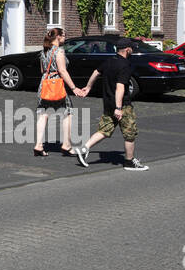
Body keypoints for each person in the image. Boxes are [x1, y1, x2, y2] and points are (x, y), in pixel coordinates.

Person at [74, 42, 148, 171]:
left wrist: (88, 87)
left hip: (108, 103)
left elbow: (96, 72)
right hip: (122, 105)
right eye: (131, 49)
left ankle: (84, 148)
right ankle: (129, 162)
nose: (132, 51)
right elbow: (120, 86)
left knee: (104, 130)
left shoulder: (109, 60)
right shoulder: (125, 65)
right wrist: (118, 108)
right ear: (127, 49)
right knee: (130, 134)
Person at [33, 28, 81, 156]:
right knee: (68, 112)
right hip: (57, 84)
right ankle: (66, 145)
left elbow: (42, 70)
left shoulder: (44, 51)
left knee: (43, 114)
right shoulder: (59, 51)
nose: (65, 37)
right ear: (58, 37)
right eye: (64, 35)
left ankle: (38, 145)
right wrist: (74, 88)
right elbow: (63, 71)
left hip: (44, 84)